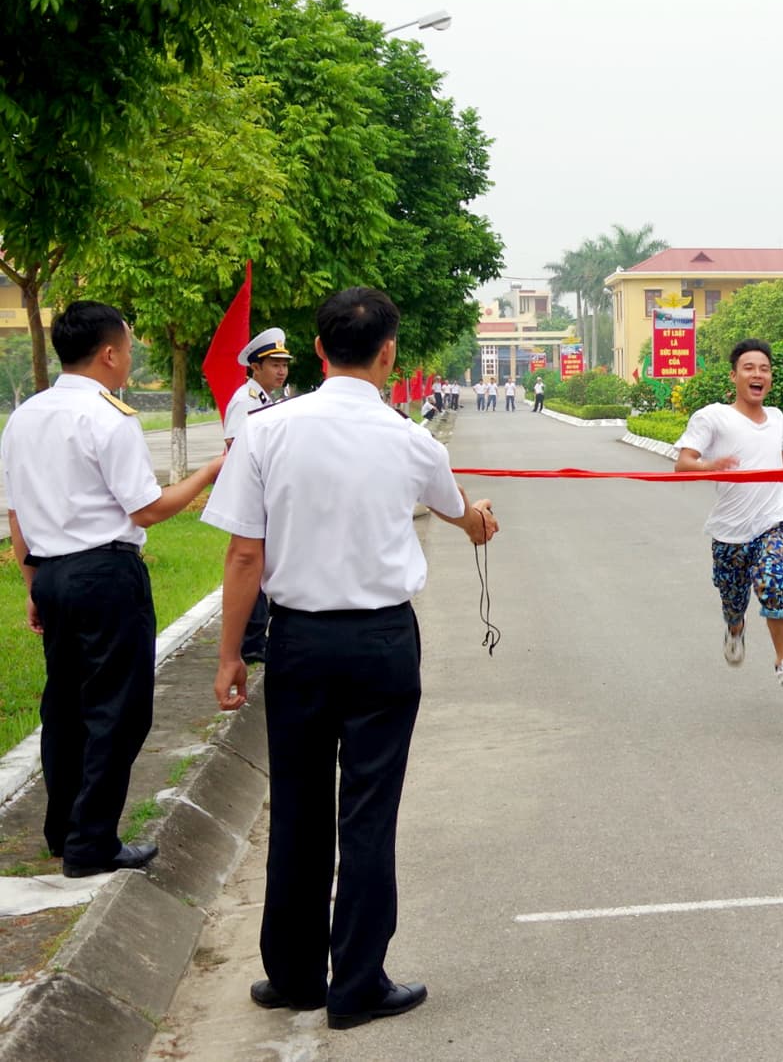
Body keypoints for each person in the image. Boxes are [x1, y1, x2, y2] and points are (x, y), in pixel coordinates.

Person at [203, 286, 500, 1026]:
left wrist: (231, 653)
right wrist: (479, 522)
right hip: (381, 644)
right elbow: (458, 510)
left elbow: (245, 553)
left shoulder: (268, 432)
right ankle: (357, 982)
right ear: (389, 351)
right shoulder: (411, 439)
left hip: (299, 641)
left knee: (298, 806)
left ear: (317, 348)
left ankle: (295, 974)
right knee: (368, 811)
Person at [1, 302, 223, 877]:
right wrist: (206, 473)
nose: (128, 358)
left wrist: (33, 584)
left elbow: (16, 514)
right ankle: (92, 842)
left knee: (66, 706)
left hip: (51, 573)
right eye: (126, 347)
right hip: (104, 575)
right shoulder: (109, 416)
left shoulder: (25, 416)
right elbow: (147, 510)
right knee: (117, 712)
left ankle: (62, 830)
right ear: (108, 353)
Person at [674, 339, 783, 695]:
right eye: (750, 368)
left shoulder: (776, 418)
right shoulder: (712, 417)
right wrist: (711, 465)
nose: (758, 374)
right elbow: (683, 464)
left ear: (770, 378)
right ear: (734, 376)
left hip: (775, 520)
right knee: (733, 600)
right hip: (729, 533)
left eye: (764, 369)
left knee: (771, 582)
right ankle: (735, 627)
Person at [222, 327, 294, 666]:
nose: (281, 370)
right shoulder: (246, 400)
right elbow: (236, 448)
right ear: (255, 366)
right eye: (273, 364)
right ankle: (251, 643)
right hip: (252, 494)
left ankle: (255, 638)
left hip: (266, 493)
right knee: (250, 561)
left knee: (261, 564)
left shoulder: (265, 399)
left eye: (284, 364)